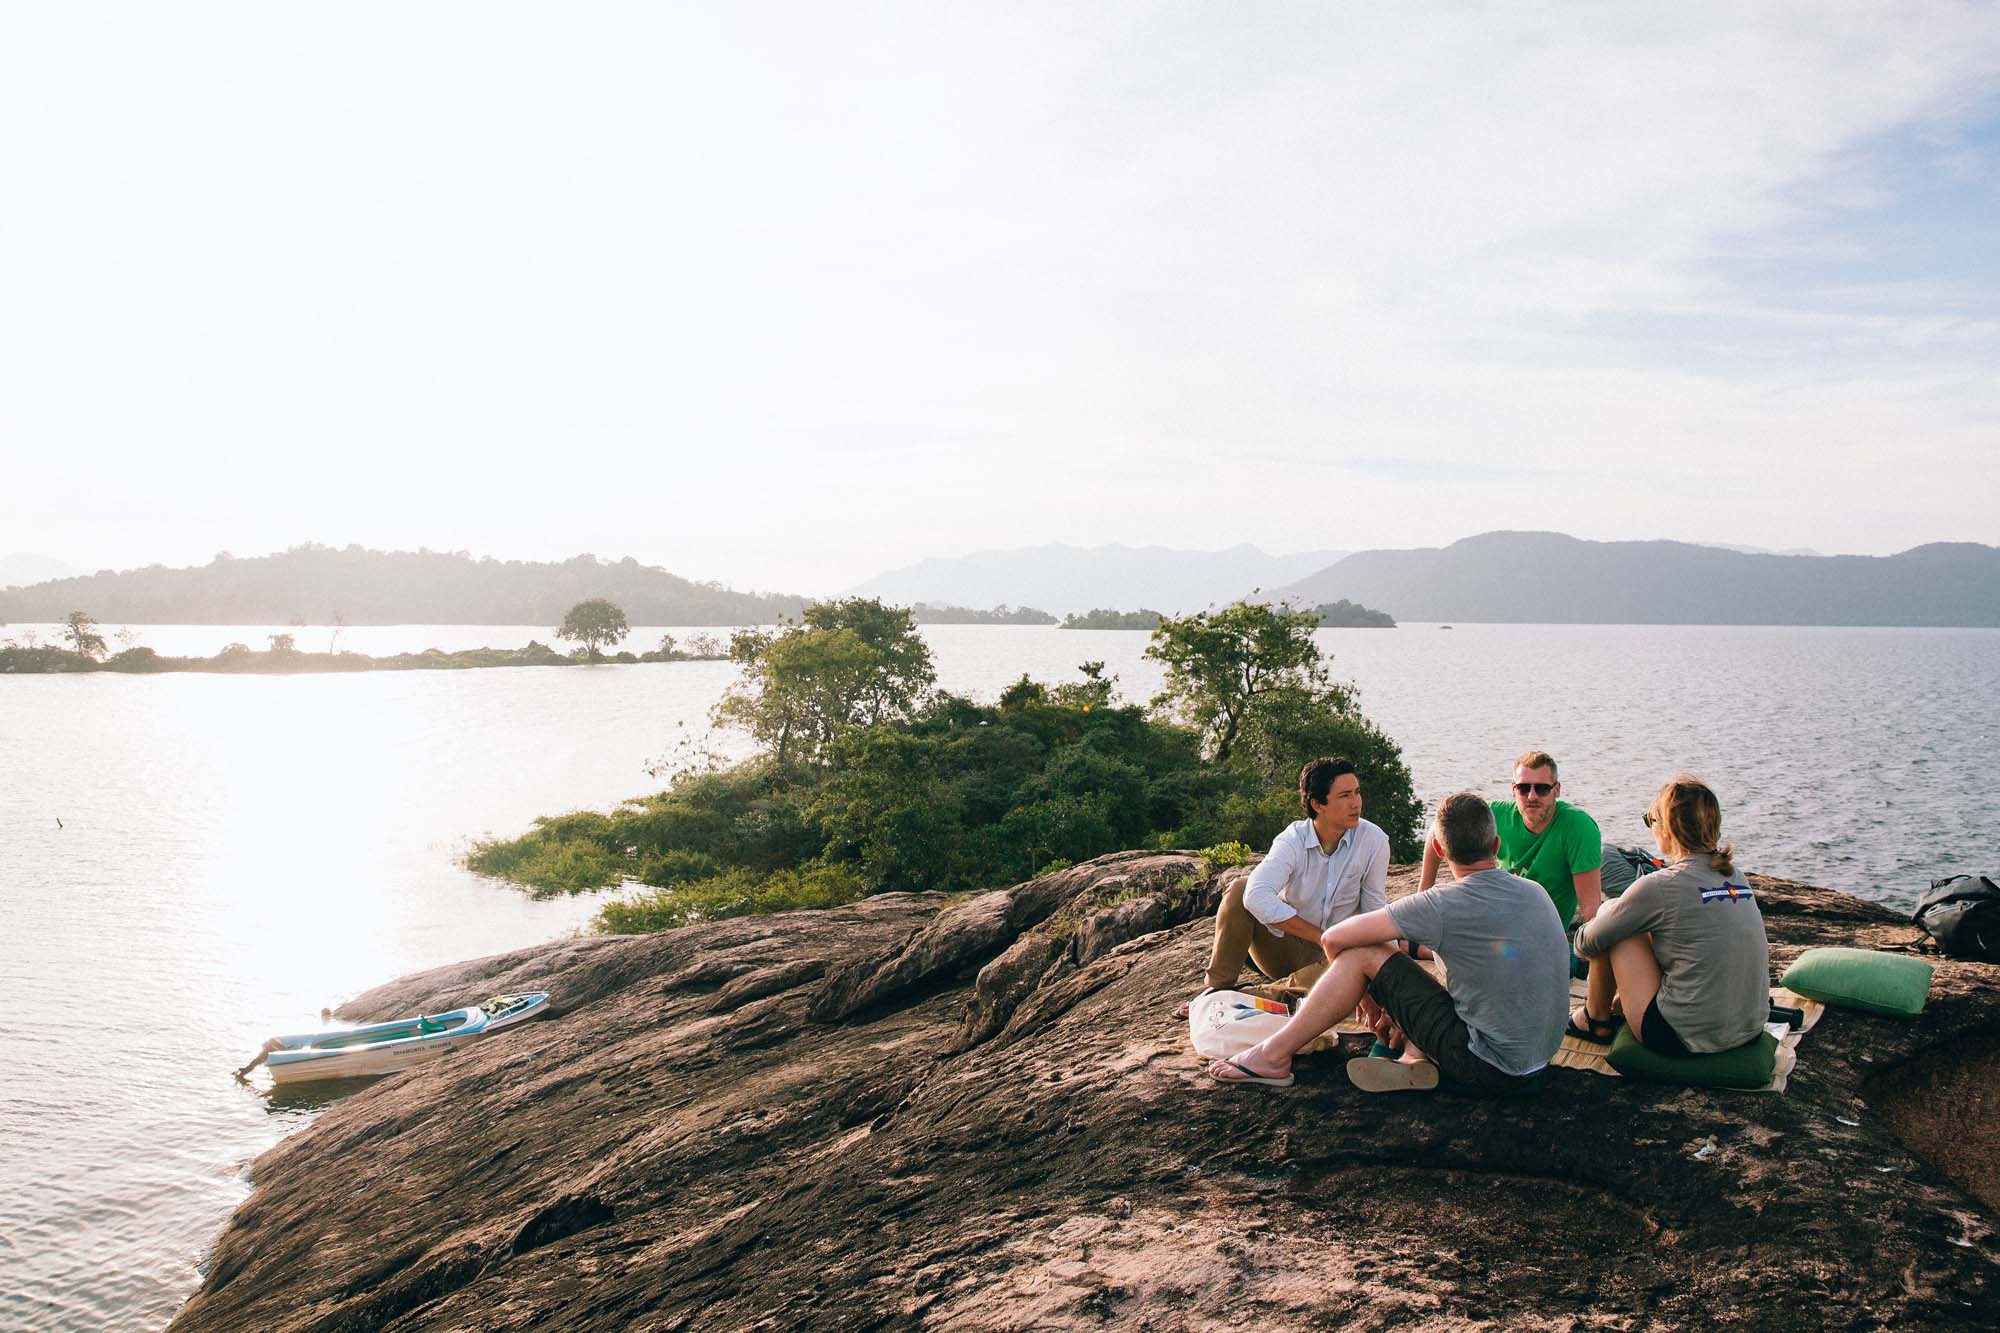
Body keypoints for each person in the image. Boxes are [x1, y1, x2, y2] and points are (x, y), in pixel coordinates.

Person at [1206, 791, 1570, 1095]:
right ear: (1496, 844)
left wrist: (1369, 996)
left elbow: (1335, 938)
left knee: (1366, 952)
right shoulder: (1533, 891)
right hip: (1540, 1060)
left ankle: (1273, 1055)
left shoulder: (1440, 904)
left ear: (1440, 852)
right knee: (1439, 986)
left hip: (1489, 1068)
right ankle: (1414, 1056)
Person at [1568, 776, 1770, 1055]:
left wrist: (1612, 911)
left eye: (1651, 820)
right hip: (1749, 1027)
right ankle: (1612, 1007)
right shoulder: (1736, 876)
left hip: (1681, 1035)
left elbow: (1585, 944)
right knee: (1651, 923)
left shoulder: (1661, 886)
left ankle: (1595, 1018)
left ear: (1668, 828)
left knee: (1613, 918)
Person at [1178, 757, 1389, 1017]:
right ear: (1317, 804)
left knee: (1351, 968)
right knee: (1240, 889)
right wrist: (1321, 938)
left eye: (1357, 792)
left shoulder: (1374, 841)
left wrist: (1384, 973)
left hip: (1336, 958)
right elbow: (1256, 895)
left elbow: (1374, 910)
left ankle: (1241, 999)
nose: (1356, 802)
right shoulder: (1293, 839)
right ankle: (1216, 988)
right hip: (1285, 948)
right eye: (1345, 795)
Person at [1420, 750, 1603, 933]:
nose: (1532, 796)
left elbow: (1590, 911)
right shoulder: (1495, 815)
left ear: (1557, 790)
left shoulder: (1578, 827)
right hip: (1493, 919)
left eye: (1541, 789)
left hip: (1542, 934)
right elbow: (1437, 829)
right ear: (1513, 790)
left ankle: (1418, 948)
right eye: (1524, 788)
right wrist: (1423, 894)